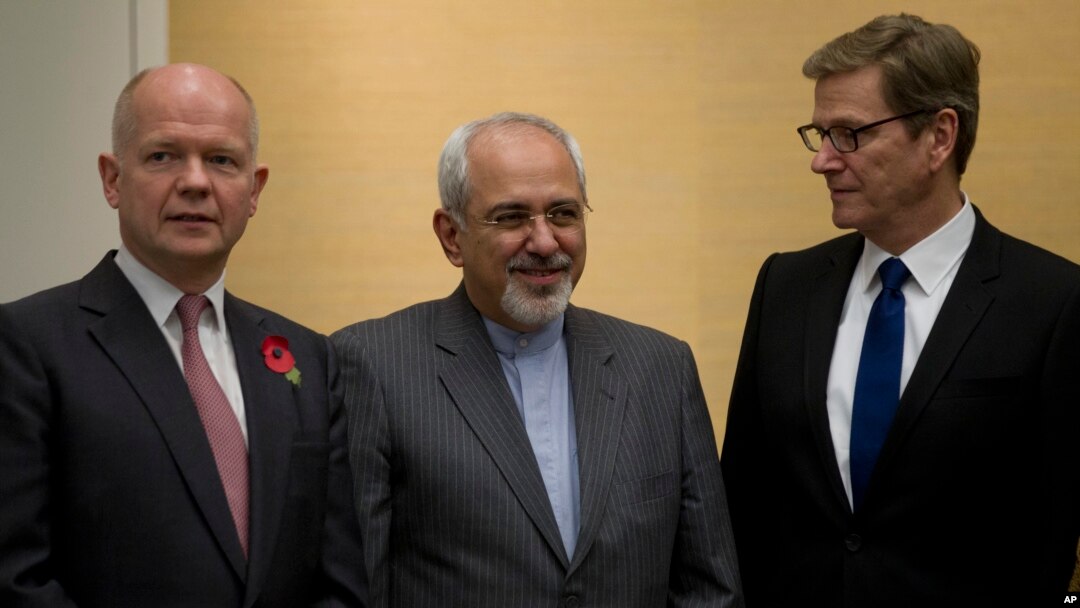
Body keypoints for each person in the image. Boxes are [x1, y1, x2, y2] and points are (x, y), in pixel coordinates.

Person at [721, 14, 1080, 608]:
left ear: (939, 136)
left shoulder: (1054, 302)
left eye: (851, 134)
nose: (824, 161)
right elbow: (743, 500)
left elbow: (1063, 527)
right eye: (820, 134)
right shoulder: (785, 285)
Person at [332, 112, 743, 607]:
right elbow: (355, 589)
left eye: (564, 213)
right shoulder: (372, 365)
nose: (545, 241)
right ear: (451, 236)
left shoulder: (661, 367)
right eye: (511, 217)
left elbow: (709, 590)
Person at [0, 63, 367, 607]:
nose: (195, 182)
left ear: (254, 189)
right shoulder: (26, 344)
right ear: (113, 179)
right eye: (163, 155)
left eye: (221, 160)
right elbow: (14, 577)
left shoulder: (309, 358)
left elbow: (338, 580)